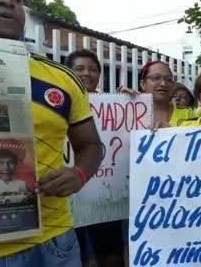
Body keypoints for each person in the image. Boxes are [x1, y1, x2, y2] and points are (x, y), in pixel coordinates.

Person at [0, 0, 103, 266]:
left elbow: (91, 146)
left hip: (54, 241)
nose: (7, 1)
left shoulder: (61, 79)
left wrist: (78, 174)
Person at [65, 50, 125, 267]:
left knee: (112, 257)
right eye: (79, 68)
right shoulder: (56, 103)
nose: (86, 74)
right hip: (70, 200)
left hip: (106, 198)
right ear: (67, 72)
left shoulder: (115, 104)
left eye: (92, 69)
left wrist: (133, 99)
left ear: (100, 75)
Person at [124, 61, 194, 128]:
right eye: (156, 78)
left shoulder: (188, 115)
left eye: (169, 80)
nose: (163, 84)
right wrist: (119, 104)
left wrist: (171, 132)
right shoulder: (128, 112)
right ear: (143, 84)